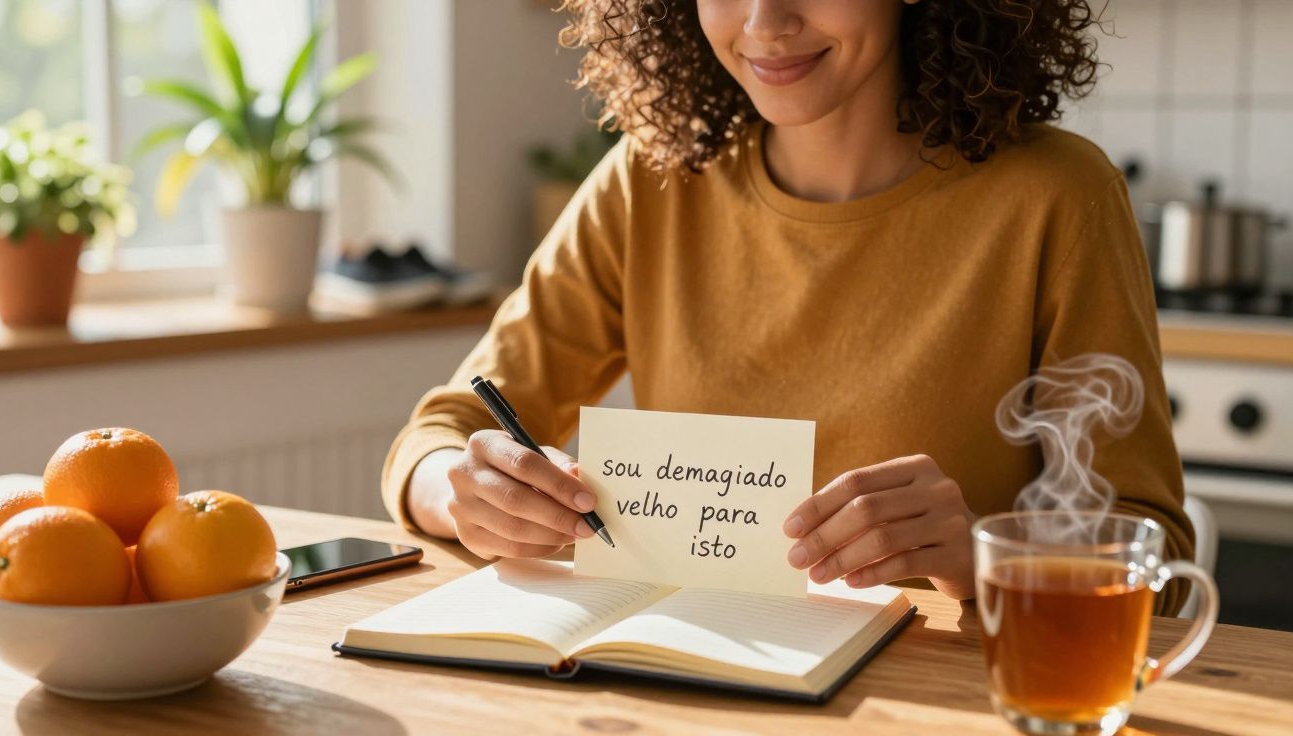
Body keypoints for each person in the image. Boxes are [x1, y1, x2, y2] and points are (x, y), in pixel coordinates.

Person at [381, 0, 1195, 613]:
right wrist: (456, 486)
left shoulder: (1059, 198)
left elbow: (1152, 553)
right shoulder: (650, 182)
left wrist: (981, 554)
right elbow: (441, 432)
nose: (765, 21)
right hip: (699, 680)